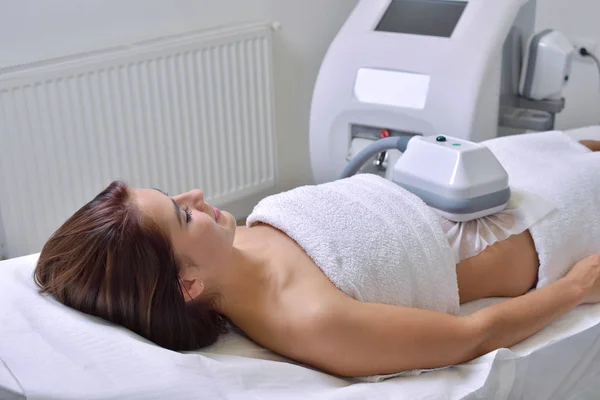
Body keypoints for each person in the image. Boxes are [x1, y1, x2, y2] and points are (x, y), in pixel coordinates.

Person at [34, 132, 600, 378]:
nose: (196, 198)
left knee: (577, 143)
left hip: (481, 175)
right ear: (187, 286)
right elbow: (474, 338)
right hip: (543, 224)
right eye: (182, 215)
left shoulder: (238, 238)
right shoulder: (311, 320)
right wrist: (576, 287)